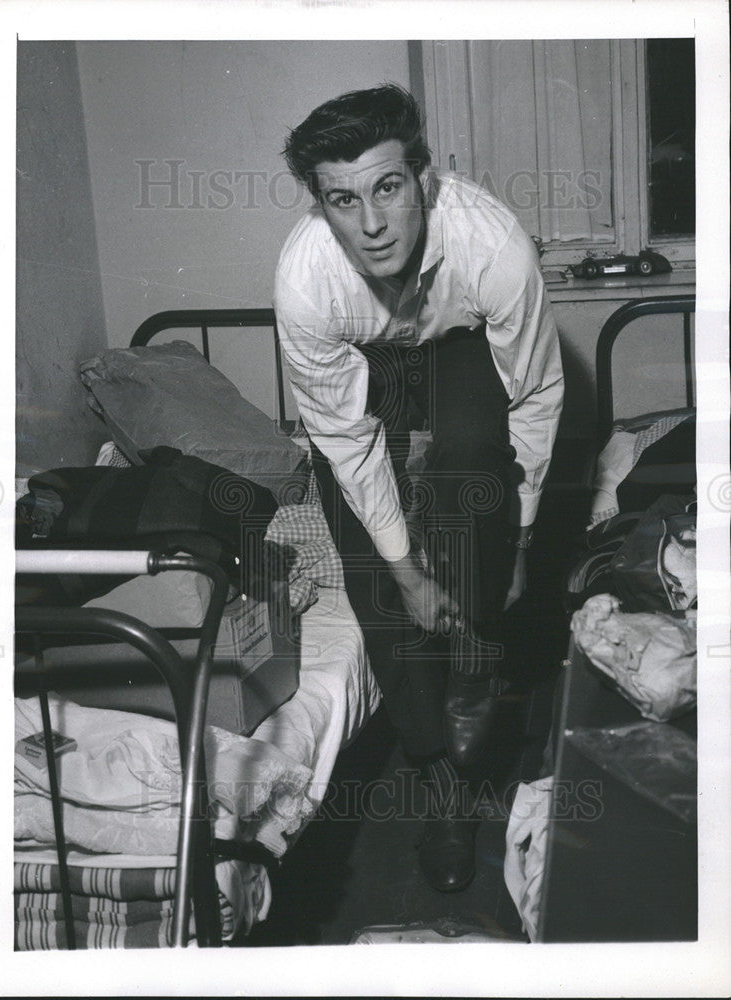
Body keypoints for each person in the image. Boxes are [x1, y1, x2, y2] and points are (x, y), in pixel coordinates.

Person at [275, 84, 564, 892]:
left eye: (387, 188)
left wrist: (520, 540)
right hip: (369, 363)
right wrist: (403, 568)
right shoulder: (306, 285)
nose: (370, 223)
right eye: (342, 199)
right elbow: (344, 437)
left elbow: (535, 396)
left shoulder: (491, 245)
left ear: (424, 179)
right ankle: (438, 775)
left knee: (473, 465)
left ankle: (475, 673)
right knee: (361, 537)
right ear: (320, 205)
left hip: (459, 344)